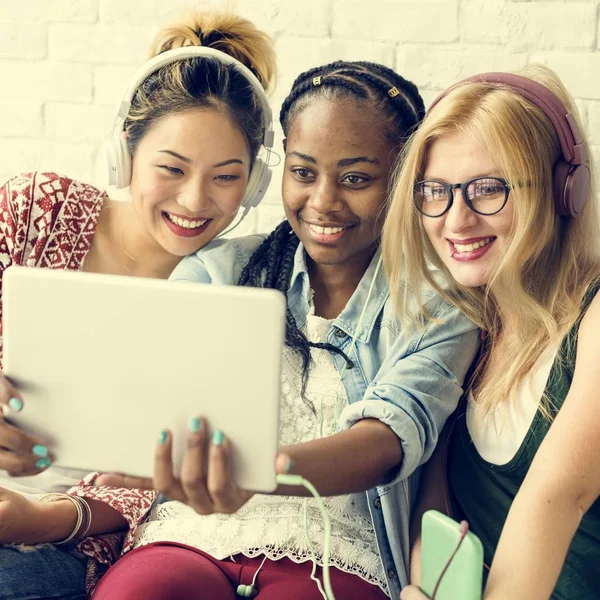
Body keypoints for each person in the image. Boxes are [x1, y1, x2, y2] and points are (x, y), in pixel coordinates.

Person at [92, 60, 480, 600]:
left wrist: (251, 471)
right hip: (192, 534)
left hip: (339, 554)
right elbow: (152, 389)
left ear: (405, 180)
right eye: (303, 172)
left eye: (356, 178)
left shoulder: (440, 309)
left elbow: (387, 440)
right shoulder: (216, 271)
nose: (322, 200)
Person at [0, 10, 276, 600]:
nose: (196, 200)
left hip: (71, 541)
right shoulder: (34, 211)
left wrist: (44, 518)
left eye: (227, 177)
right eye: (172, 169)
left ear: (254, 185)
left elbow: (160, 481)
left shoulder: (230, 288)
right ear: (124, 153)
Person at [382, 66, 600, 600]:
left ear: (563, 190)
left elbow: (560, 495)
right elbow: (432, 511)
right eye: (435, 191)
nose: (455, 221)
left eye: (487, 189)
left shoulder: (593, 316)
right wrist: (423, 588)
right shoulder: (466, 327)